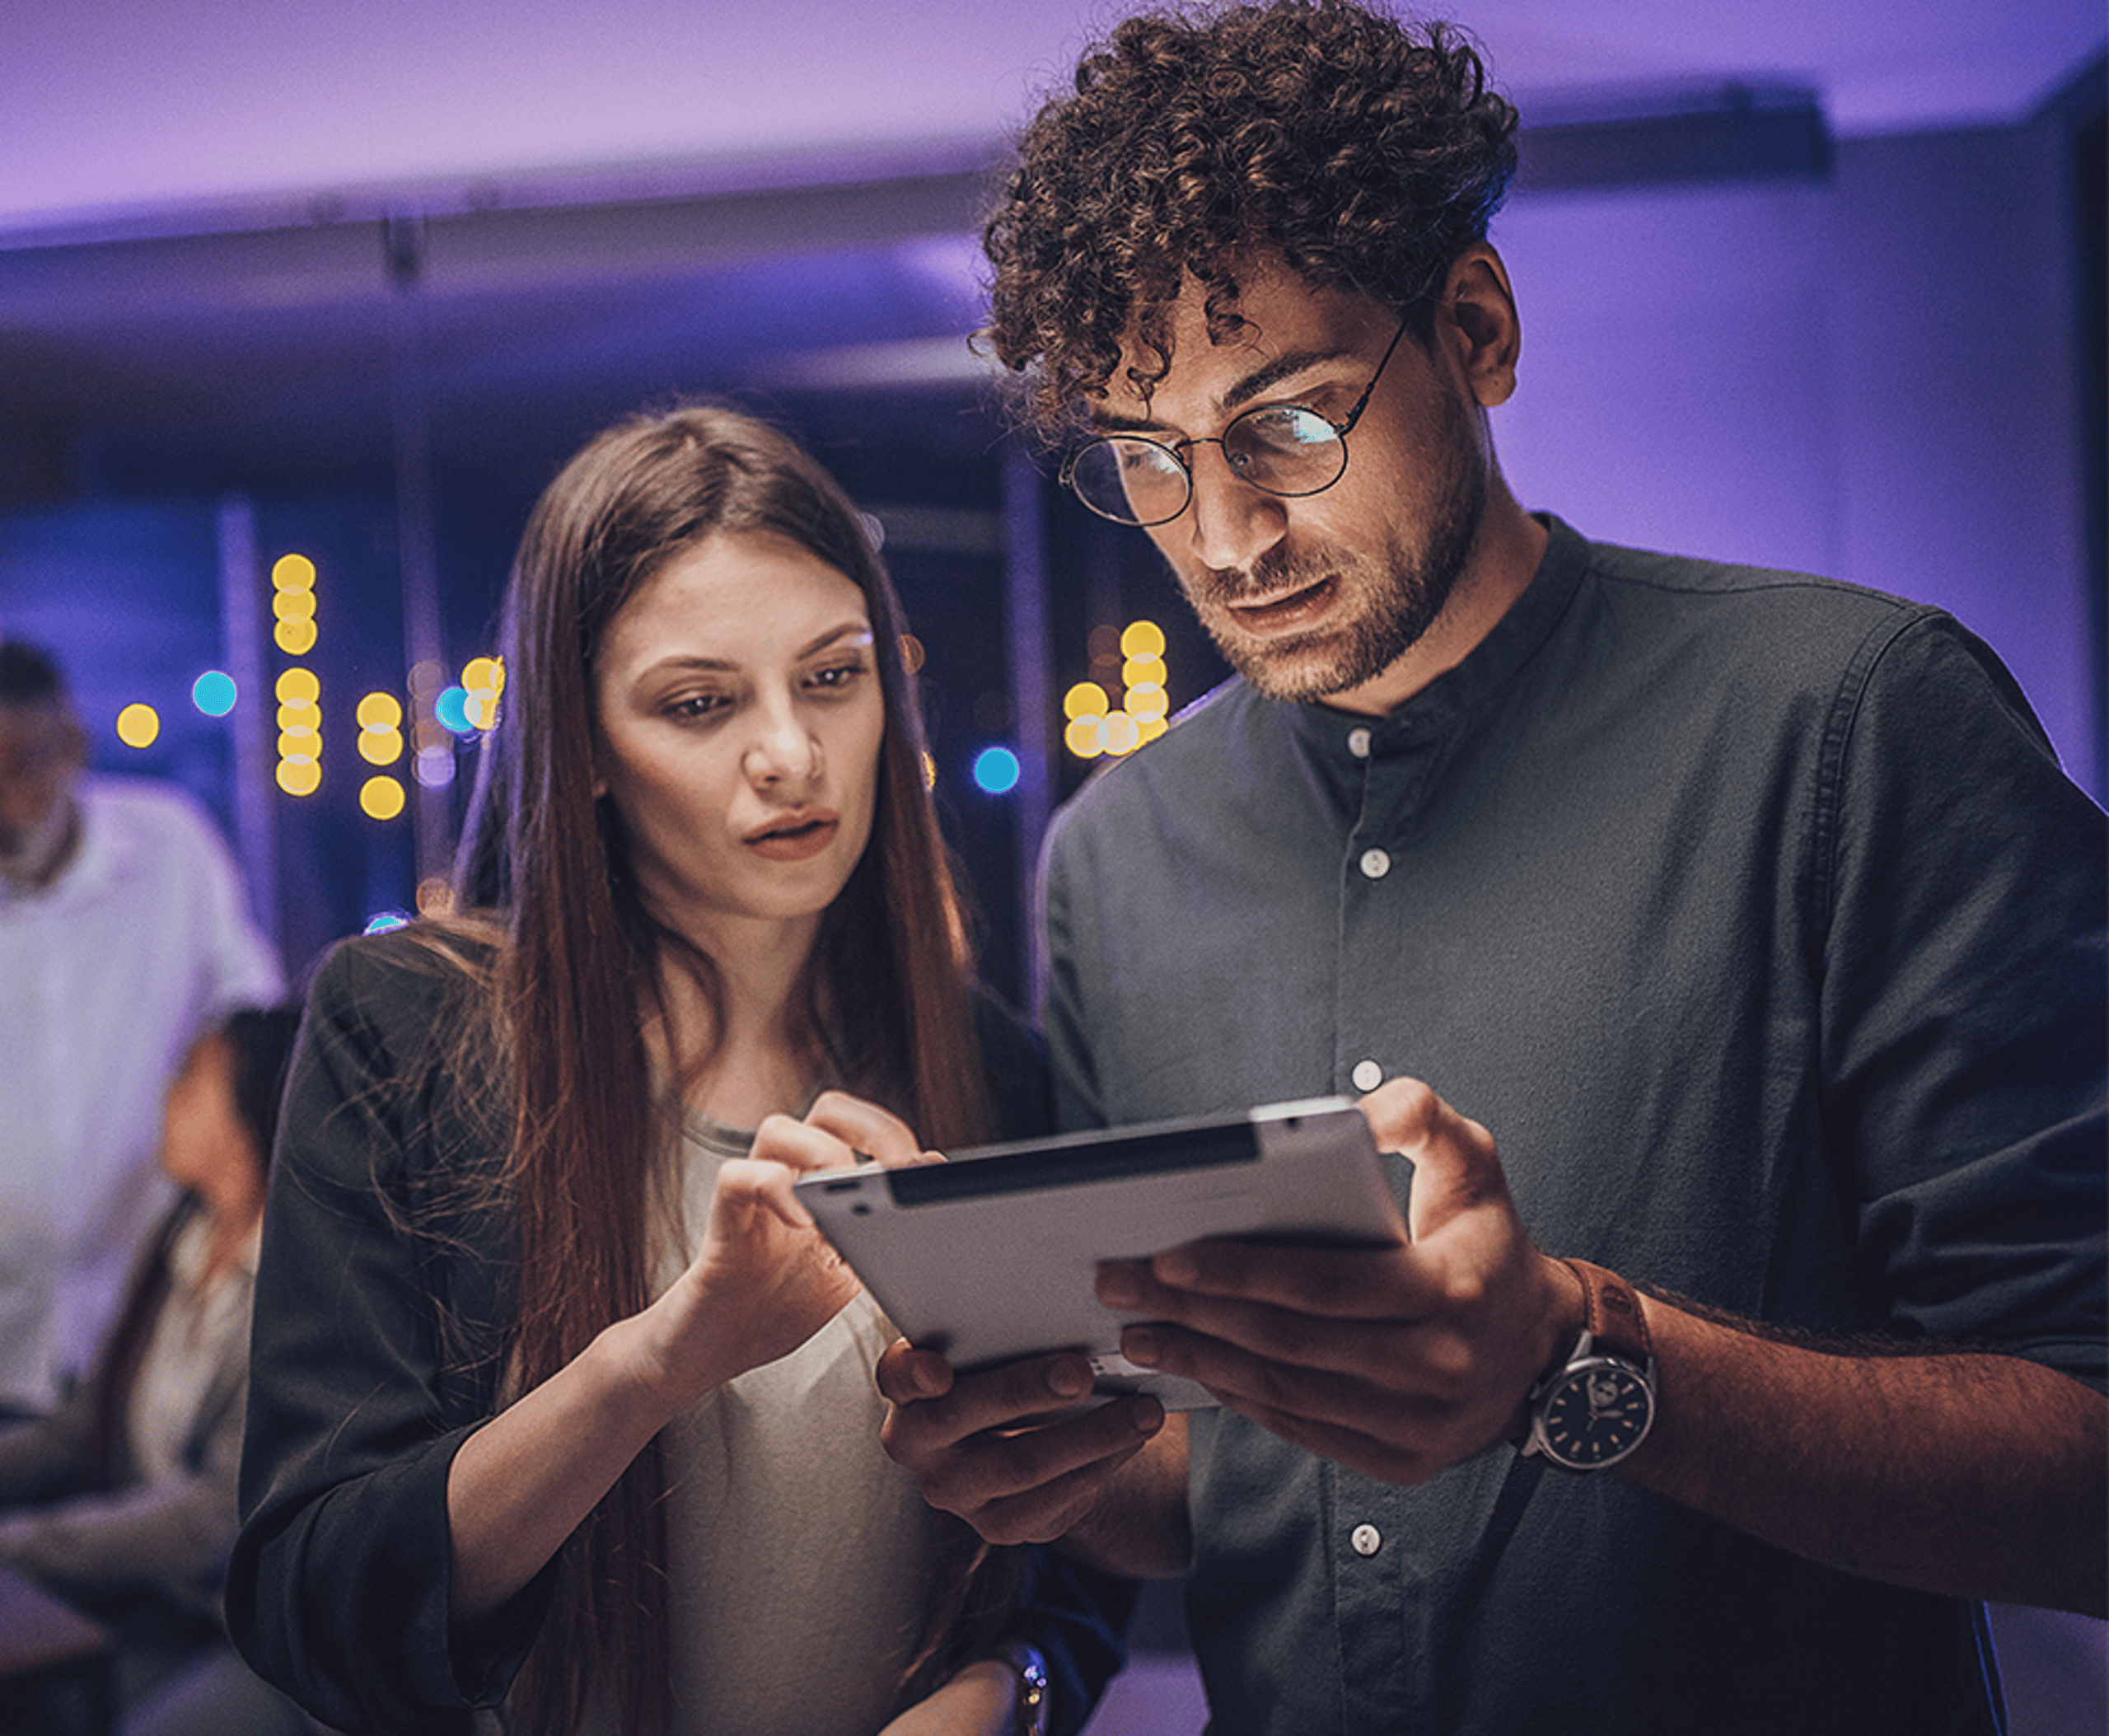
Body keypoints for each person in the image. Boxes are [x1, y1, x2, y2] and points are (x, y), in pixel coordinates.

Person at [874, 4, 2109, 1733]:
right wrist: (1045, 1460)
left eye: (1285, 425)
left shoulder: (1851, 725)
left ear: (1473, 326)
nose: (1222, 535)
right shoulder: (1112, 861)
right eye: (1145, 463)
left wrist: (1576, 1355)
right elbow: (1198, 1481)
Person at [226, 404, 1130, 1736]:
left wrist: (1005, 1693)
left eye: (832, 676)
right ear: (581, 744)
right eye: (700, 703)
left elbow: (1084, 1550)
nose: (790, 751)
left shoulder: (981, 1058)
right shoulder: (409, 1027)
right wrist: (656, 1359)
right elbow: (317, 1604)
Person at [0, 1005, 309, 1736]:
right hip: (151, 1598)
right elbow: (82, 1429)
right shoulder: (178, 1233)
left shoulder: (300, 1282)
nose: (168, 1094)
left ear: (249, 1117)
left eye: (193, 1080)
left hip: (242, 1626)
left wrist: (16, 1548)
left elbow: (214, 1519)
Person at [0, 638, 286, 1417]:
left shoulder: (172, 844)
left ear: (73, 747)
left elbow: (248, 1027)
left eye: (22, 764)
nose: (6, 798)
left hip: (146, 1302)